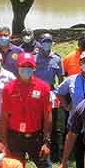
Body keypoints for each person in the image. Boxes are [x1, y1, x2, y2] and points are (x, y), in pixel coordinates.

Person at [0, 52, 71, 168]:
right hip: (15, 138)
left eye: (29, 67)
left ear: (34, 68)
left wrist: (46, 142)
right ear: (18, 68)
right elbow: (4, 117)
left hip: (36, 139)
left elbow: (47, 116)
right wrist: (3, 143)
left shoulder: (43, 87)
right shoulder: (9, 88)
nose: (26, 69)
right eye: (23, 66)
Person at [34, 32, 64, 160]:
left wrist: (60, 94)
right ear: (40, 43)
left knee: (54, 122)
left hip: (52, 93)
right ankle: (38, 150)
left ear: (52, 43)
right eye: (44, 41)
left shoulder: (57, 58)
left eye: (48, 41)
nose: (46, 44)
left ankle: (55, 152)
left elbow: (61, 79)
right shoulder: (34, 58)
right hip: (37, 93)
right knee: (38, 121)